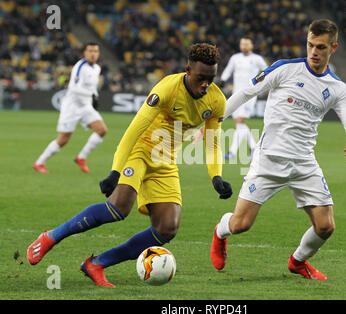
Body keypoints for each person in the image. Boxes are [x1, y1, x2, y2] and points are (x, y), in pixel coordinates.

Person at [27, 43, 232, 287]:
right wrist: (115, 170)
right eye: (201, 78)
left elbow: (213, 141)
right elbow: (134, 129)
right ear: (188, 69)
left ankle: (97, 263)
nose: (205, 85)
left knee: (167, 228)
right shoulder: (167, 88)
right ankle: (51, 237)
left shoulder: (217, 99)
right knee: (119, 208)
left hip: (166, 161)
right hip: (141, 149)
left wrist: (216, 176)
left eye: (211, 79)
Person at [210, 19, 346, 280]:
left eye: (321, 47)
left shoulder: (337, 88)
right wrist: (217, 118)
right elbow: (246, 92)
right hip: (268, 160)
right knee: (241, 224)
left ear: (333, 48)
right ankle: (220, 232)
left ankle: (298, 262)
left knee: (325, 226)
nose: (314, 52)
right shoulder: (285, 69)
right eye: (310, 45)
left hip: (304, 164)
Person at [33, 43, 106, 174]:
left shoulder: (96, 68)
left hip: (86, 106)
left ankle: (81, 157)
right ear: (85, 53)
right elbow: (73, 88)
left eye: (96, 51)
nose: (93, 54)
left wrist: (95, 97)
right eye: (90, 51)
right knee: (63, 139)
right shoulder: (80, 67)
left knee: (101, 130)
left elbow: (92, 88)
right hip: (71, 107)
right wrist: (91, 95)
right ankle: (39, 163)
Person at [220, 37, 268, 160]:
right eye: (242, 44)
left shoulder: (257, 59)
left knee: (240, 121)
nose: (244, 46)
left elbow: (267, 71)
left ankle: (232, 152)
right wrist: (223, 82)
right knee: (239, 124)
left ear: (252, 45)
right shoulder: (235, 58)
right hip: (237, 94)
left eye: (247, 44)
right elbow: (227, 71)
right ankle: (254, 149)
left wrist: (262, 85)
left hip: (251, 94)